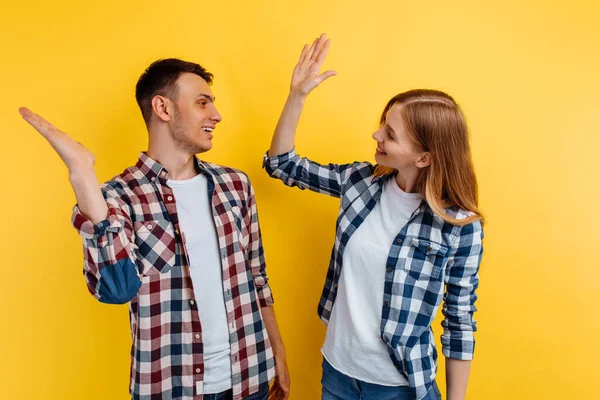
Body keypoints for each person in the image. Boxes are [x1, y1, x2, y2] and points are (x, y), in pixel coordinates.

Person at [20, 58, 290, 400]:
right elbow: (117, 289)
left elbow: (257, 276)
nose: (216, 115)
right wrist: (82, 174)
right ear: (163, 107)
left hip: (250, 376)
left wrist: (277, 351)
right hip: (170, 388)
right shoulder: (115, 197)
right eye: (202, 103)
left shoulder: (235, 185)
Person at [263, 34, 484, 400]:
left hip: (399, 388)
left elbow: (459, 321)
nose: (376, 134)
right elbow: (282, 164)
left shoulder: (459, 226)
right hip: (337, 375)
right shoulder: (359, 183)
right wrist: (297, 95)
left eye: (391, 134)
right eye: (383, 123)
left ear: (424, 157)